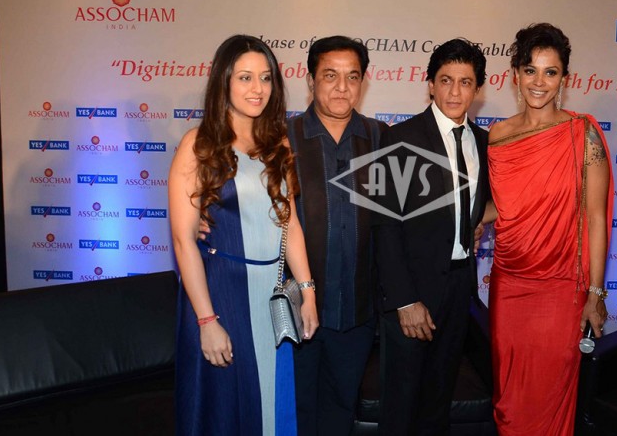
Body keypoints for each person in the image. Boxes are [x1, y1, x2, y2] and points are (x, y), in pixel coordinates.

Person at [169, 34, 319, 436]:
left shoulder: (277, 142)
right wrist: (206, 320)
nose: (258, 89)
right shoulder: (198, 145)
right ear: (224, 81)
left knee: (271, 403)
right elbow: (184, 241)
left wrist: (308, 291)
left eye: (266, 78)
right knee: (225, 412)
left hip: (272, 296)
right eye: (245, 77)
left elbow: (290, 223)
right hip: (222, 295)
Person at [486, 23, 613, 435]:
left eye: (550, 72)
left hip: (561, 288)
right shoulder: (498, 134)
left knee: (550, 396)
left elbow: (596, 217)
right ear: (515, 75)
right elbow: (506, 204)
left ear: (565, 79)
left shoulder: (583, 134)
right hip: (509, 283)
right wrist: (460, 223)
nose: (539, 82)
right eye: (530, 70)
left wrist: (595, 293)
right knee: (509, 401)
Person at [374, 38, 492, 436]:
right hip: (411, 290)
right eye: (445, 80)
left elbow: (487, 202)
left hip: (459, 288)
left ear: (478, 90)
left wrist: (473, 221)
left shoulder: (484, 143)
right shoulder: (398, 138)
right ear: (430, 84)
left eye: (465, 82)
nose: (455, 92)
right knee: (401, 406)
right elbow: (383, 224)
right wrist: (405, 300)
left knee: (438, 403)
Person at [286, 36, 386, 436]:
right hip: (295, 311)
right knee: (295, 413)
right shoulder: (283, 138)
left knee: (341, 411)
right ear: (311, 80)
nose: (342, 87)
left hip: (357, 313)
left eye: (352, 77)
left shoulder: (379, 138)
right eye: (330, 76)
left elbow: (394, 217)